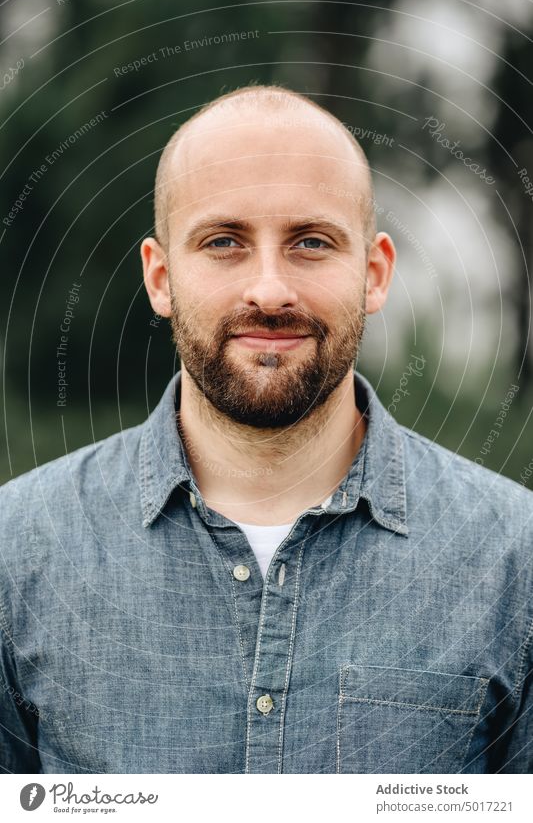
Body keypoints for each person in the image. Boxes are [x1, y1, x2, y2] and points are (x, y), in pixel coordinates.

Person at [0, 84, 531, 775]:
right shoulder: (16, 553)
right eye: (224, 242)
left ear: (373, 274)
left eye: (311, 242)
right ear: (160, 278)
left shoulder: (514, 562)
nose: (270, 289)